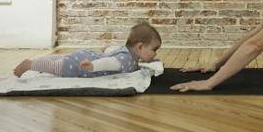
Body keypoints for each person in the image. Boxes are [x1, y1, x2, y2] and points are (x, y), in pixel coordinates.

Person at [13, 22, 161, 78]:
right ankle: (30, 65)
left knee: (59, 60)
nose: (155, 53)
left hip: (86, 56)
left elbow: (112, 49)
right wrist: (93, 66)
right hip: (83, 65)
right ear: (139, 47)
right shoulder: (125, 59)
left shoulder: (126, 52)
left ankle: (38, 63)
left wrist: (106, 48)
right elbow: (109, 62)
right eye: (154, 49)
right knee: (58, 67)